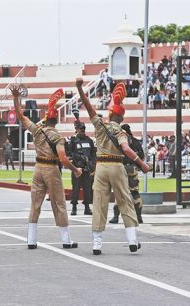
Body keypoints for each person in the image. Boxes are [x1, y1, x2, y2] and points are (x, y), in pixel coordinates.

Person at [76, 78, 150, 255]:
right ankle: (132, 240)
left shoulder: (100, 125)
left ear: (110, 114)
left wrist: (79, 88)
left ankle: (97, 244)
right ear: (122, 117)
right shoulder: (120, 131)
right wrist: (141, 163)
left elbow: (87, 105)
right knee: (125, 201)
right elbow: (126, 148)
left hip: (101, 166)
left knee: (99, 203)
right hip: (117, 166)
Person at [11, 85, 82, 249]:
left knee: (35, 204)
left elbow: (20, 116)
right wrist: (75, 169)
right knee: (59, 203)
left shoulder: (37, 130)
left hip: (38, 168)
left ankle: (31, 240)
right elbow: (63, 159)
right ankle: (66, 240)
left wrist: (16, 97)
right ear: (56, 120)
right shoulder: (57, 136)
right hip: (51, 169)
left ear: (45, 119)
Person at [109, 124, 145, 224]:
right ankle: (139, 217)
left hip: (121, 168)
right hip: (132, 168)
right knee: (135, 193)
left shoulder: (120, 141)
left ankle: (116, 217)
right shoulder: (136, 142)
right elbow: (141, 156)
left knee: (119, 192)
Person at [69, 121, 95, 216]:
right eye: (81, 129)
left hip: (87, 168)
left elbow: (93, 154)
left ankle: (87, 208)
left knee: (87, 189)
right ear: (77, 130)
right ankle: (74, 208)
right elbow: (69, 153)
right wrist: (80, 157)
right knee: (75, 189)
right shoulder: (73, 141)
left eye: (84, 129)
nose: (83, 131)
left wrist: (91, 163)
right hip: (77, 168)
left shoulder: (89, 140)